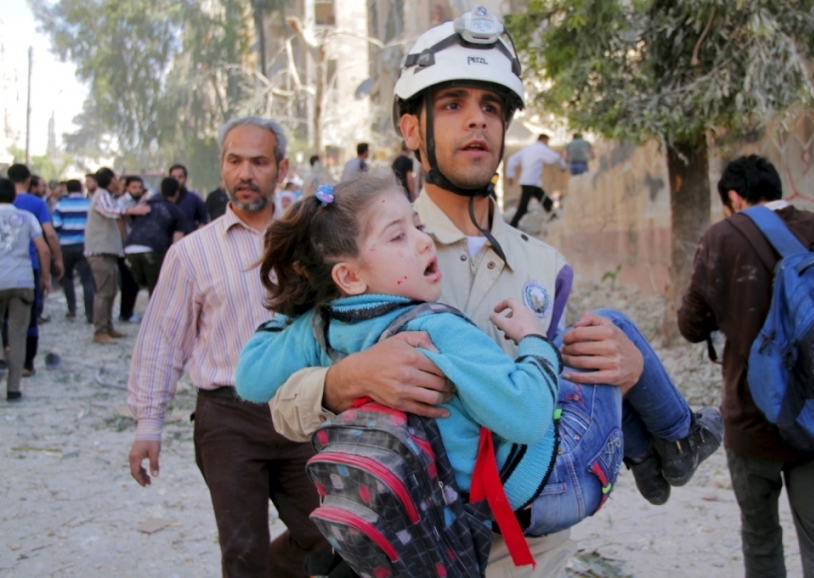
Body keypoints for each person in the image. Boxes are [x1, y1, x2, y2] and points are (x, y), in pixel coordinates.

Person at [254, 8, 705, 576]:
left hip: (528, 550)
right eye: (453, 104)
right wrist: (346, 379)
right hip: (416, 550)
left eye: (491, 107)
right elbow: (280, 409)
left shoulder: (546, 264)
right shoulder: (362, 250)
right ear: (412, 128)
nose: (478, 122)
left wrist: (629, 366)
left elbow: (559, 403)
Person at [237, 175, 721, 535]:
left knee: (574, 351)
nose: (423, 240)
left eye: (418, 225)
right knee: (609, 325)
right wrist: (531, 339)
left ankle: (655, 457)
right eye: (398, 235)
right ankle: (677, 438)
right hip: (553, 483)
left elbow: (250, 379)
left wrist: (300, 310)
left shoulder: (323, 326)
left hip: (472, 504)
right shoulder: (435, 326)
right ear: (349, 276)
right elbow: (530, 414)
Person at [127, 116, 331, 577]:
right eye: (234, 161)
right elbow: (162, 339)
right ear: (221, 166)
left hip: (303, 411)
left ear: (281, 169)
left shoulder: (311, 242)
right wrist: (148, 424)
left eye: (258, 162)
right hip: (228, 421)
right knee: (242, 552)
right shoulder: (192, 253)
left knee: (331, 537)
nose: (245, 174)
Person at [678, 154, 814, 578]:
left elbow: (690, 325)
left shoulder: (723, 237)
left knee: (761, 541)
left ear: (734, 198)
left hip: (753, 419)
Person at [7, 164, 63, 375]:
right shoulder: (35, 204)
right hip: (27, 269)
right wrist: (54, 265)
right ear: (29, 180)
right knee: (29, 317)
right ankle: (26, 364)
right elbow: (48, 236)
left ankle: (6, 358)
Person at [84, 167, 150, 344]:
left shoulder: (107, 196)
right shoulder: (102, 196)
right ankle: (100, 331)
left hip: (109, 252)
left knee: (111, 291)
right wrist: (131, 211)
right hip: (100, 251)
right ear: (111, 180)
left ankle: (107, 327)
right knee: (104, 292)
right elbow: (108, 211)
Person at [0, 178, 51, 401]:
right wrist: (45, 277)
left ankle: (1, 356)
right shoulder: (27, 217)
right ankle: (13, 389)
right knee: (18, 333)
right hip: (22, 280)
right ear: (14, 195)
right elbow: (43, 249)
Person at [123, 177, 188, 295]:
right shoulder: (177, 212)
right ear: (177, 193)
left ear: (161, 191)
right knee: (157, 293)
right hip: (154, 251)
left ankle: (127, 313)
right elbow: (177, 244)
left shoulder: (143, 205)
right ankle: (153, 313)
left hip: (130, 249)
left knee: (137, 286)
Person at [52, 179, 95, 322]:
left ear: (67, 190)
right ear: (81, 189)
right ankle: (90, 313)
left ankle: (72, 309)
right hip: (85, 245)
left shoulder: (61, 205)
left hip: (66, 246)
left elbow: (56, 225)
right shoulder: (89, 204)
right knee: (87, 279)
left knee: (67, 277)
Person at [506, 134, 567, 227]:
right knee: (523, 207)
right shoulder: (540, 148)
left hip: (531, 183)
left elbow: (512, 160)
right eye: (547, 142)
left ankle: (554, 219)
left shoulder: (527, 149)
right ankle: (512, 225)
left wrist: (510, 175)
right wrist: (562, 166)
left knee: (545, 201)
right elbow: (555, 157)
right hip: (530, 183)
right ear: (544, 140)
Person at [116, 175, 148, 323]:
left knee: (135, 282)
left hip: (138, 247)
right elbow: (120, 221)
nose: (137, 190)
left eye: (139, 187)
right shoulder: (121, 203)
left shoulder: (144, 202)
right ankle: (125, 313)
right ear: (128, 187)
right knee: (127, 282)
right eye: (134, 187)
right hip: (124, 247)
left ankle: (129, 312)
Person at [165, 164, 209, 232]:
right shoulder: (159, 198)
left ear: (185, 178)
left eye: (180, 177)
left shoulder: (194, 199)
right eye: (173, 177)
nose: (176, 180)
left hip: (187, 239)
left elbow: (203, 220)